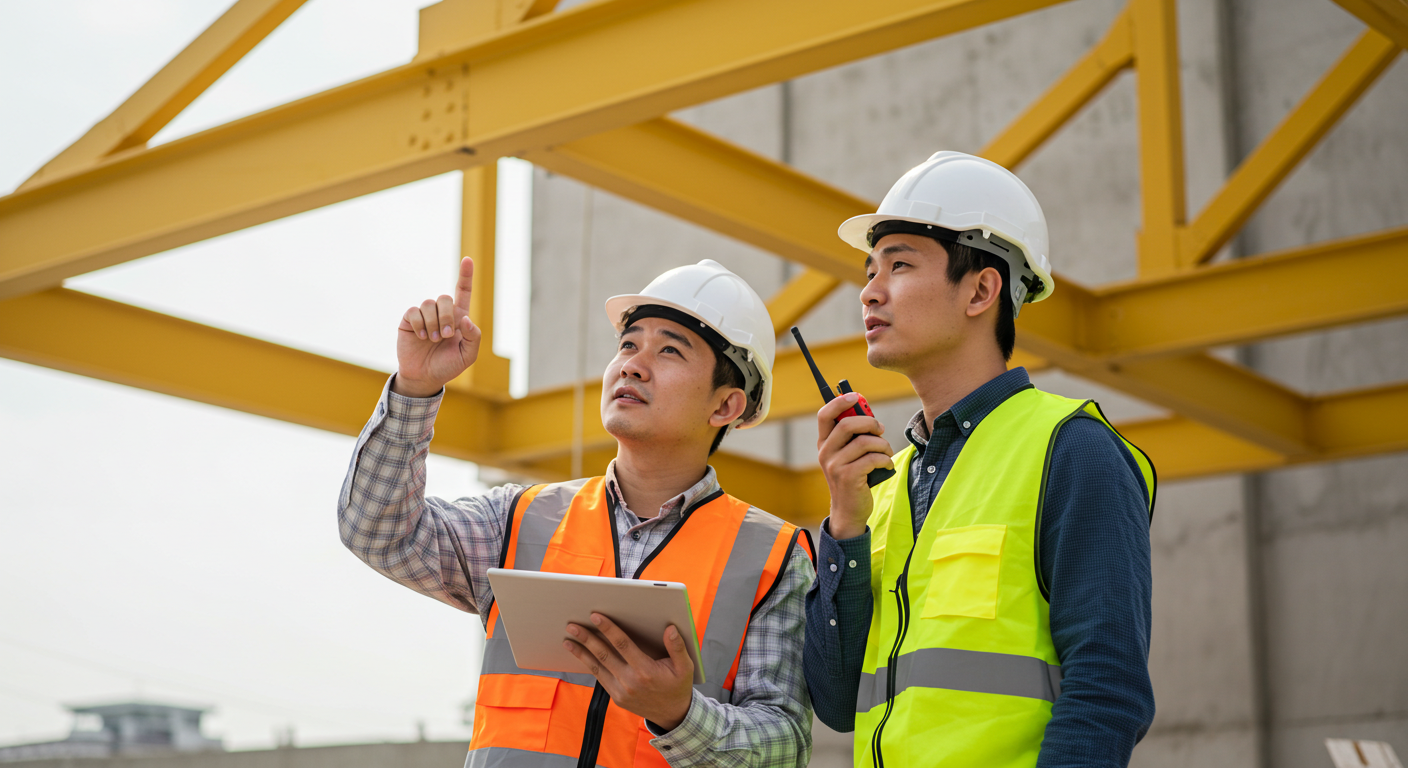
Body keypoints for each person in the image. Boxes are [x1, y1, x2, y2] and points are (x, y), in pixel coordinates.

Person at [338, 257, 815, 768]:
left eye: (670, 350)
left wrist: (680, 715)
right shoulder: (519, 520)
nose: (632, 363)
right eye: (628, 345)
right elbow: (378, 532)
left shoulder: (773, 557)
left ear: (726, 407)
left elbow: (783, 744)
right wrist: (415, 387)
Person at [802, 151, 1157, 768]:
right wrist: (844, 526)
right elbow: (835, 702)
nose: (869, 290)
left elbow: (1107, 692)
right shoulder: (885, 488)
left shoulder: (1072, 449)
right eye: (869, 270)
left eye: (900, 265)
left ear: (981, 290)